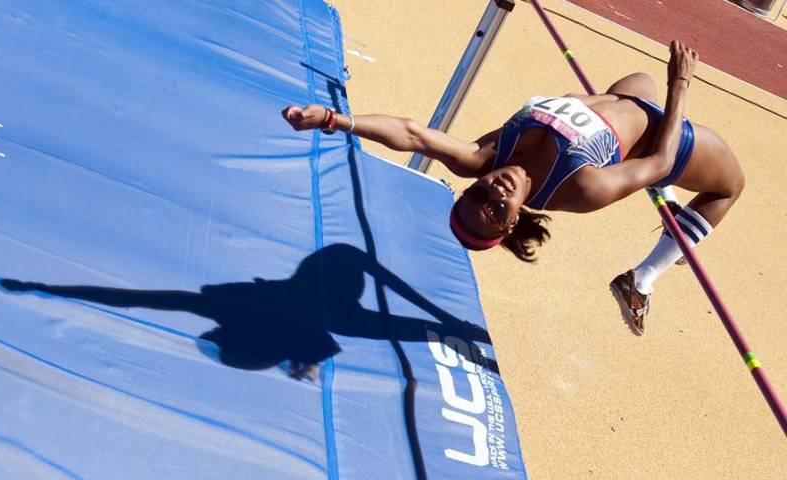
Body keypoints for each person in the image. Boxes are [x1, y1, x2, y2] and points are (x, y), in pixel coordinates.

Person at [282, 41, 745, 336]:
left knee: (632, 88)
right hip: (663, 134)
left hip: (625, 95)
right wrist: (679, 86)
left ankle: (667, 210)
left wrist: (334, 120)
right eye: (498, 209)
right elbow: (660, 160)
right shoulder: (580, 188)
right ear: (513, 220)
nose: (493, 192)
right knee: (729, 186)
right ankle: (643, 279)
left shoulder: (483, 157)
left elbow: (412, 133)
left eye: (477, 196)